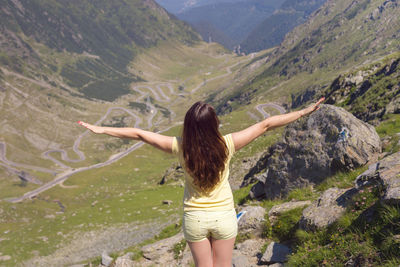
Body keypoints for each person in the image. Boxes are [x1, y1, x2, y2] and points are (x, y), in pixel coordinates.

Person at [78, 97, 324, 267]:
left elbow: (140, 134)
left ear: (189, 126)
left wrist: (102, 129)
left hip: (194, 219)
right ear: (213, 124)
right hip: (224, 217)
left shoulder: (180, 147)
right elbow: (267, 124)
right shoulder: (228, 144)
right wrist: (303, 112)